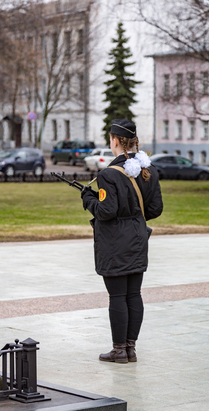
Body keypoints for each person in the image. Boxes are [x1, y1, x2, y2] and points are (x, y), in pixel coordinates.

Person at [81, 118, 163, 364]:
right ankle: (130, 348)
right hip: (137, 239)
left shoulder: (108, 174)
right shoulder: (149, 170)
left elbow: (106, 211)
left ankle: (119, 351)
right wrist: (133, 218)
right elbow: (155, 209)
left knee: (117, 297)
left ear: (115, 141)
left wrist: (88, 199)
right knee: (134, 294)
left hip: (116, 243)